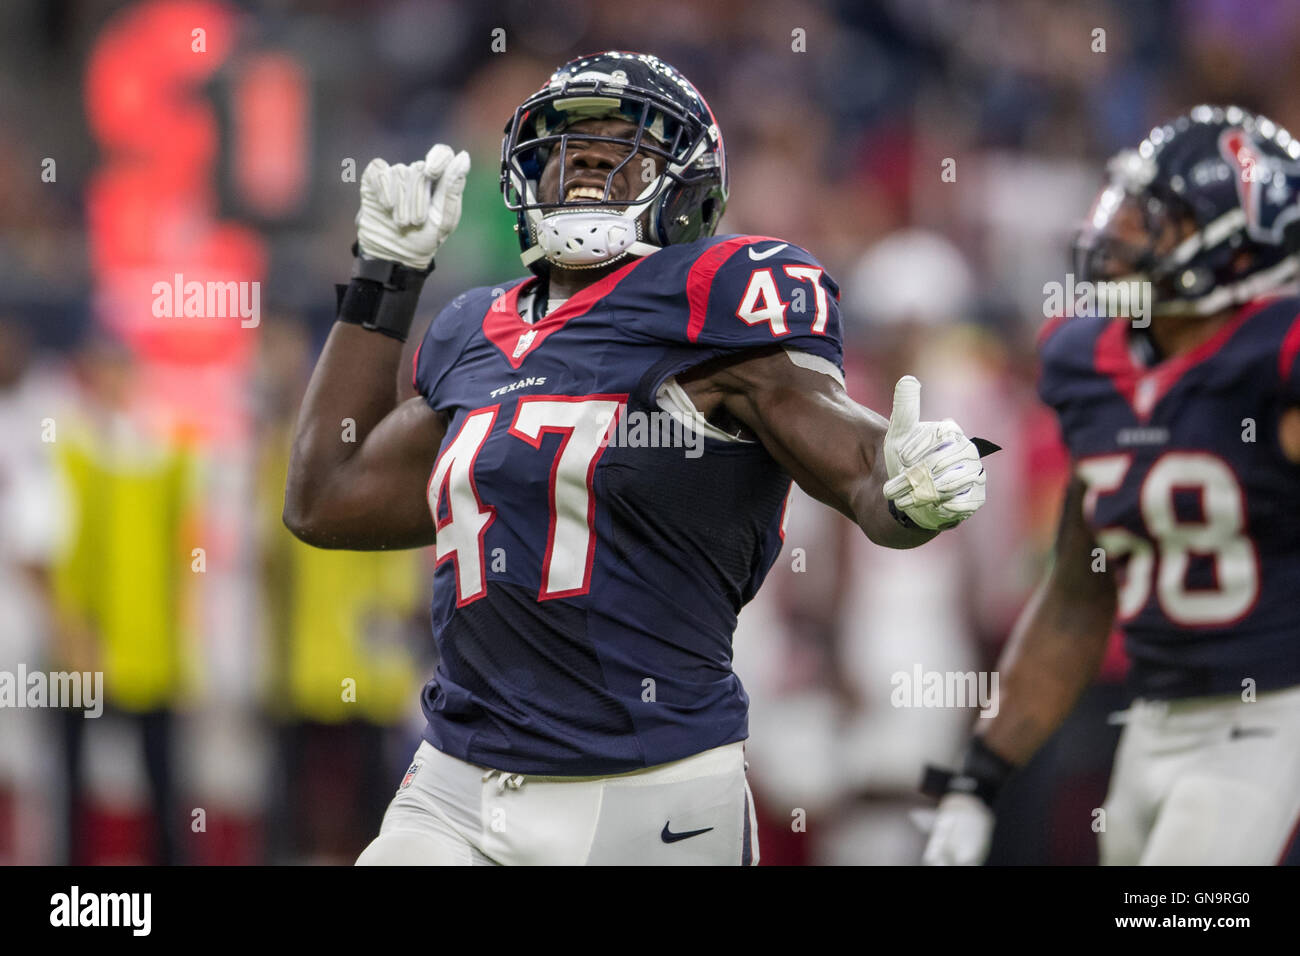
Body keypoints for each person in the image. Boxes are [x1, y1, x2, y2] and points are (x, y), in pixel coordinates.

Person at [284, 51, 988, 866]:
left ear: (689, 188)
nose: (584, 154)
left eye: (626, 139)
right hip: (454, 780)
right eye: (565, 142)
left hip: (647, 790)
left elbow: (848, 454)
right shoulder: (474, 331)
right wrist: (387, 275)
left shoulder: (715, 299)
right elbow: (325, 498)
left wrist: (901, 485)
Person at [923, 105, 1300, 866]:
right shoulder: (1088, 362)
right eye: (1122, 206)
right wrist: (979, 777)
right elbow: (1077, 592)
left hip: (1275, 723)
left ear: (1236, 245)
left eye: (1152, 217)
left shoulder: (1278, 358)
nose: (1118, 233)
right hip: (1153, 721)